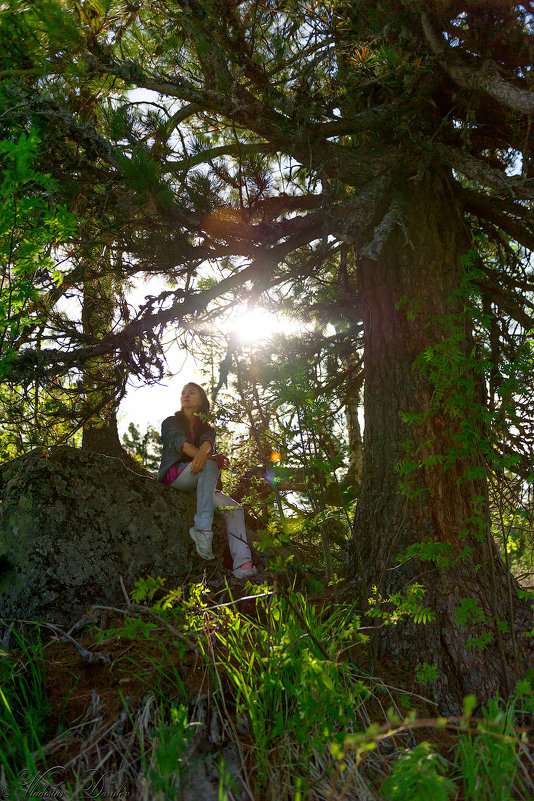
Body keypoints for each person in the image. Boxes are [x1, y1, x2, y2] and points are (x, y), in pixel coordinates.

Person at [157, 382, 257, 579]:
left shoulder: (207, 428)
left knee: (235, 509)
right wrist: (209, 458)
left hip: (199, 483)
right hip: (175, 477)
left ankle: (243, 566)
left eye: (191, 392)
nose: (185, 395)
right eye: (183, 392)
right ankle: (202, 530)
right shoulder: (170, 422)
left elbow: (206, 443)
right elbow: (183, 447)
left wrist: (206, 452)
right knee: (209, 465)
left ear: (201, 400)